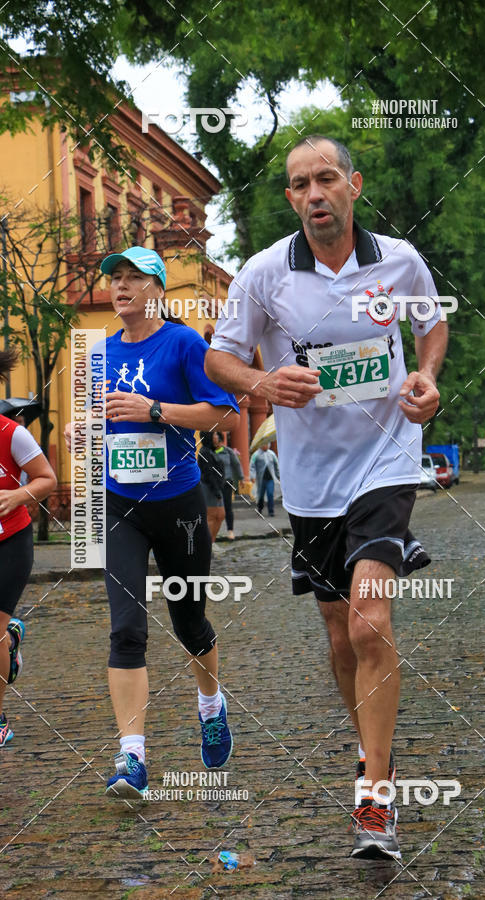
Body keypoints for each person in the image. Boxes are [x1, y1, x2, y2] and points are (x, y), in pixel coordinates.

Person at [205, 135, 447, 860]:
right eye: (299, 184)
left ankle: (375, 798)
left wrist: (427, 380)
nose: (314, 193)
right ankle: (378, 755)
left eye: (326, 179)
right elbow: (220, 355)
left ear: (353, 185)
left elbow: (430, 329)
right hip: (312, 484)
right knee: (341, 635)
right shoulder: (264, 272)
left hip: (386, 461)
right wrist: (259, 385)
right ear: (290, 198)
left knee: (371, 624)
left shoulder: (399, 261)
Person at [64, 246, 240, 797]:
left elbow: (223, 411)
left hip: (179, 506)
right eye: (114, 278)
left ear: (157, 288)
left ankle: (210, 705)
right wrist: (81, 433)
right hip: (120, 505)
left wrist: (156, 411)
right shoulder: (99, 352)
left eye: (132, 277)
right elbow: (97, 416)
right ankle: (131, 756)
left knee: (189, 624)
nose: (120, 287)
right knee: (126, 628)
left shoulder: (185, 344)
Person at [0, 348, 57, 746]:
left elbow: (46, 478)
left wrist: (16, 497)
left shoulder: (11, 432)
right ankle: (11, 639)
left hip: (10, 541)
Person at [197, 430, 226, 542]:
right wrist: (216, 489)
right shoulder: (204, 452)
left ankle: (211, 541)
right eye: (214, 434)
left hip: (217, 487)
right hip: (209, 488)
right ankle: (207, 544)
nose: (216, 436)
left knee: (220, 515)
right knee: (211, 516)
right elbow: (209, 473)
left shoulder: (212, 451)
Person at [215, 432, 244, 539]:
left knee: (227, 507)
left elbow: (236, 464)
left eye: (218, 438)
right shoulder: (209, 452)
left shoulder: (228, 452)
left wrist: (241, 478)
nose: (216, 441)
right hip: (214, 484)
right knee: (214, 508)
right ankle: (214, 530)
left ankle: (230, 530)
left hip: (227, 482)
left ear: (221, 440)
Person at [250, 442, 279, 516]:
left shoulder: (272, 454)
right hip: (261, 479)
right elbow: (252, 466)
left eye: (266, 444)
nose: (265, 446)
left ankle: (271, 511)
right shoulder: (256, 455)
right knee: (260, 495)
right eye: (264, 444)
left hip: (270, 479)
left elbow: (276, 466)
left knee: (270, 494)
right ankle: (260, 508)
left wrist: (278, 476)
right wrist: (252, 476)